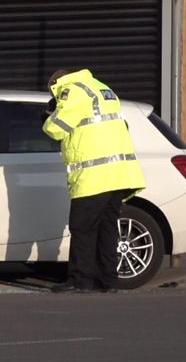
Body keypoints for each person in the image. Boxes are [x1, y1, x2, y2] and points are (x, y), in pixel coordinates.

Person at [42, 68, 146, 293]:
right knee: (107, 228)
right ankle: (108, 281)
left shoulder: (72, 90)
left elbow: (57, 128)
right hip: (119, 174)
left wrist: (48, 117)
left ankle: (80, 280)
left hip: (94, 176)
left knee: (83, 228)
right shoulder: (102, 88)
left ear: (56, 82)